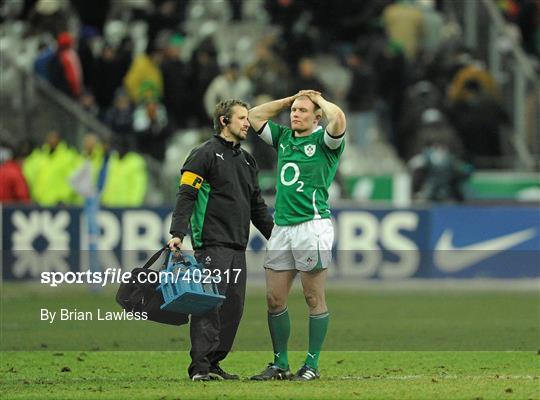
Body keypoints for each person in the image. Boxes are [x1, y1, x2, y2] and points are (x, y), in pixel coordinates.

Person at [167, 99, 274, 381]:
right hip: (212, 244)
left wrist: (277, 237)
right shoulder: (203, 154)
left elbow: (257, 207)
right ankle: (199, 368)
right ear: (224, 122)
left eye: (247, 118)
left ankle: (213, 362)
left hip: (238, 246)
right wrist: (178, 232)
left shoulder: (247, 160)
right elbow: (187, 194)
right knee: (208, 304)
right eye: (241, 118)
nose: (247, 123)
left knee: (233, 309)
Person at [248, 90, 346, 381]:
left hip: (312, 227)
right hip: (282, 227)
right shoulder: (284, 138)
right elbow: (254, 116)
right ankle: (280, 364)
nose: (295, 114)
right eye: (294, 110)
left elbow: (338, 118)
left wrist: (319, 101)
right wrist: (290, 99)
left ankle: (312, 365)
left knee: (313, 297)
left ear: (317, 117)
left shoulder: (324, 142)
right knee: (274, 298)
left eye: (303, 111)